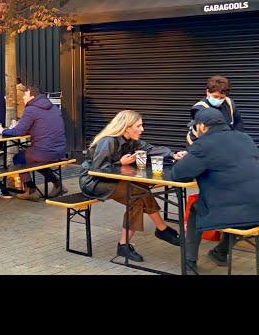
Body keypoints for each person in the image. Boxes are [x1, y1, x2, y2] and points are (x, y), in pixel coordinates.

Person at [78, 110, 186, 262]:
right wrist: (120, 163)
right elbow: (97, 170)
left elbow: (151, 149)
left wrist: (173, 155)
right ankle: (161, 229)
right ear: (127, 127)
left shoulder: (133, 141)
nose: (142, 129)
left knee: (139, 191)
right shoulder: (108, 141)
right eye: (139, 125)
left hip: (112, 180)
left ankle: (126, 245)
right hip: (93, 182)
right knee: (136, 194)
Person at [170, 108, 259, 274]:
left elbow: (178, 175)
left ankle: (189, 262)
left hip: (232, 211)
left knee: (196, 208)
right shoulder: (245, 138)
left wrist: (188, 159)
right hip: (256, 207)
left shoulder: (203, 144)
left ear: (203, 126)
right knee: (236, 206)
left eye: (195, 127)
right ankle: (220, 252)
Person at [1, 86, 68, 199]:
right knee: (36, 161)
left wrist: (3, 131)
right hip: (60, 151)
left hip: (45, 151)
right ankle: (57, 183)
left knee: (19, 159)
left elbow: (18, 131)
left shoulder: (31, 109)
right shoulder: (53, 107)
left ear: (32, 96)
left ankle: (31, 191)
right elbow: (42, 126)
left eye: (25, 95)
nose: (23, 98)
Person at [187, 75, 244, 146]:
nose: (218, 100)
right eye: (215, 96)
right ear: (208, 92)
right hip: (200, 144)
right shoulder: (200, 108)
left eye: (221, 97)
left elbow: (238, 122)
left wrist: (237, 139)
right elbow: (205, 134)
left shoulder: (229, 103)